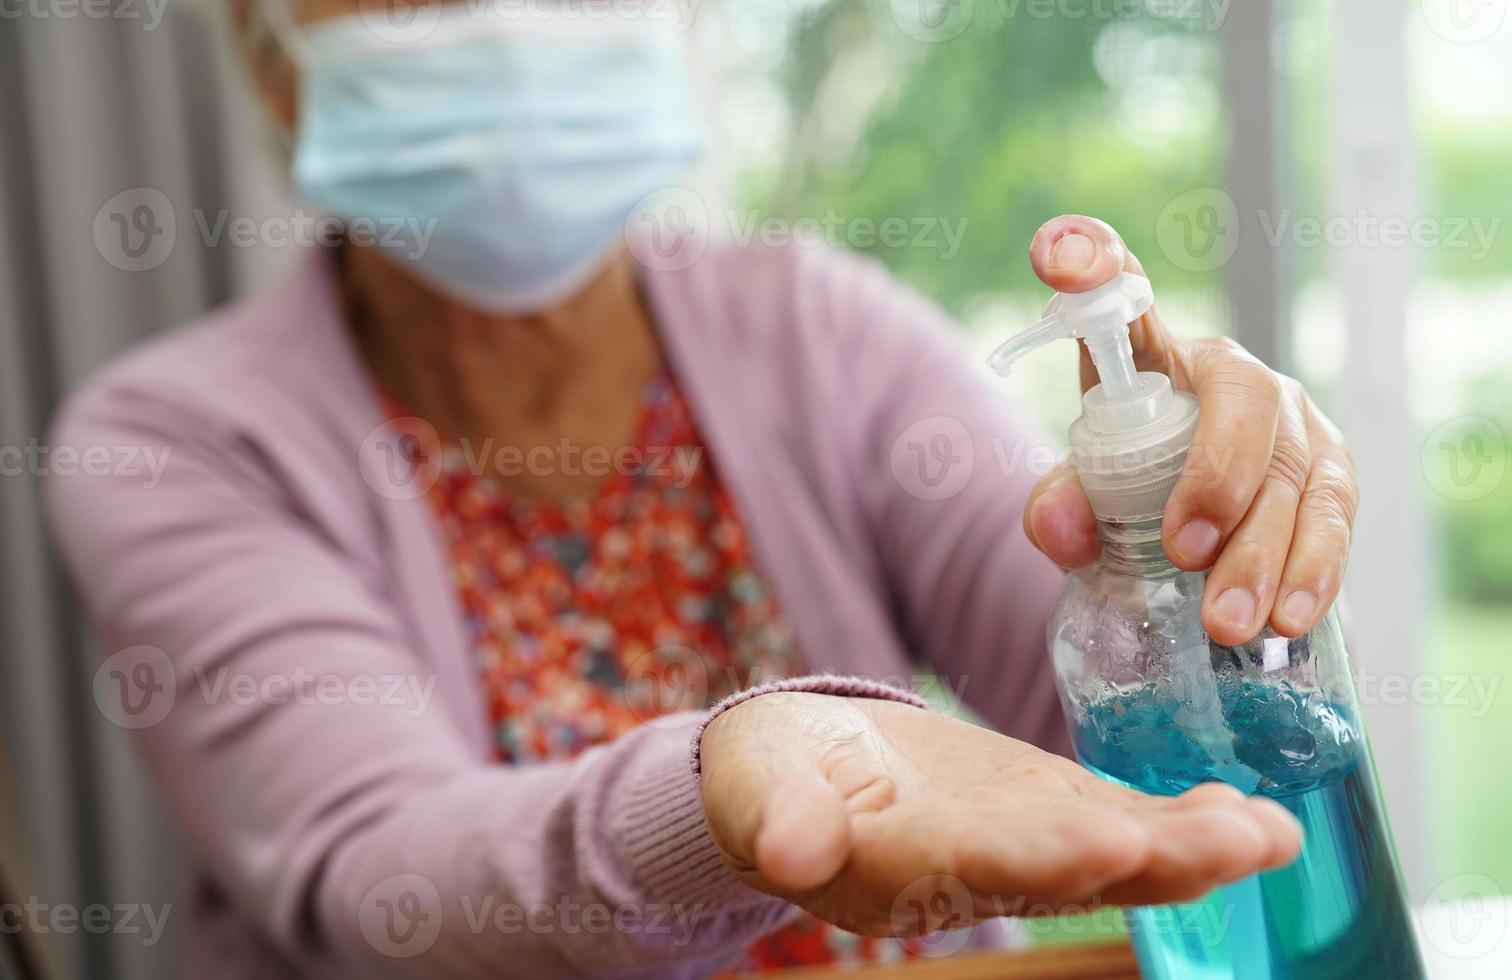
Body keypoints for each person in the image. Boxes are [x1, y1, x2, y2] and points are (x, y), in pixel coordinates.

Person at [45, 1, 1358, 977]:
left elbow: (1127, 724)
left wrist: (1194, 552)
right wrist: (712, 803)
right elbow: (380, 875)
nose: (504, 20)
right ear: (270, 60)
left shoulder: (818, 333)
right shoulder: (176, 439)